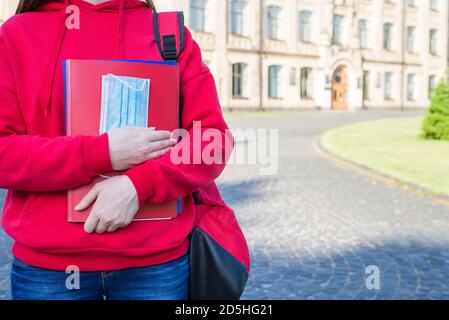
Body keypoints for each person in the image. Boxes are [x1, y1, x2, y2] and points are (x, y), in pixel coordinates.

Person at [0, 0, 231, 300]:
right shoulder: (15, 35)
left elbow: (213, 140)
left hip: (155, 267)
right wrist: (102, 152)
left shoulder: (168, 34)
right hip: (48, 271)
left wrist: (140, 185)